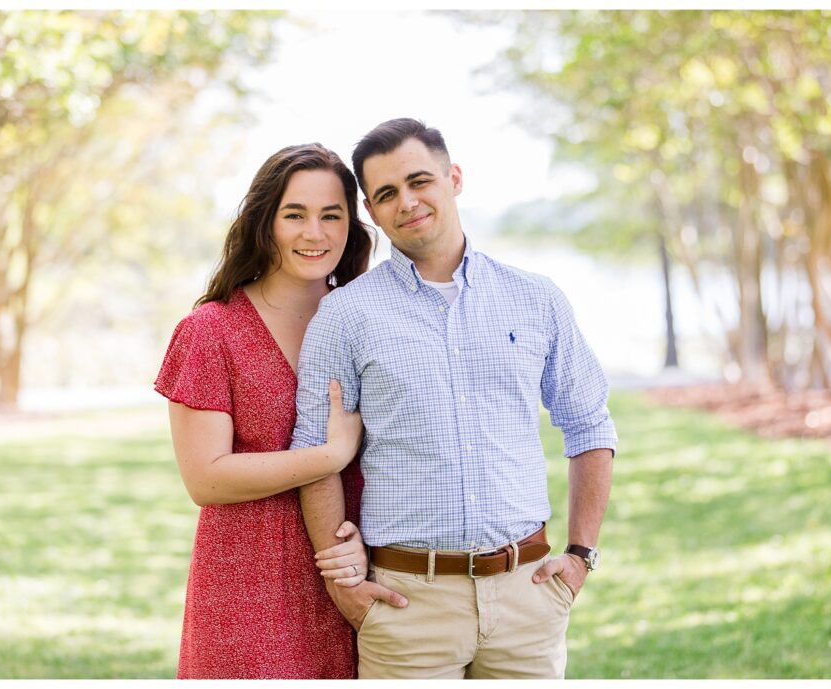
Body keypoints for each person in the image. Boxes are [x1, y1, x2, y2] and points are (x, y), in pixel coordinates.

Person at [293, 118, 617, 679]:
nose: (408, 202)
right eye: (387, 193)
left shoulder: (535, 300)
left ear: (454, 179)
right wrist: (346, 589)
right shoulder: (345, 316)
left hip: (528, 599)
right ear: (371, 210)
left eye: (420, 181)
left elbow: (589, 425)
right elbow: (313, 450)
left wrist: (581, 557)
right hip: (405, 608)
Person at [154, 143, 379, 679]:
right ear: (264, 222)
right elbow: (205, 479)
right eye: (294, 215)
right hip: (249, 585)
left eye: (332, 215)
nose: (315, 233)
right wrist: (331, 455)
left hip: (360, 568)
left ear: (353, 224)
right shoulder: (211, 330)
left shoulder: (371, 320)